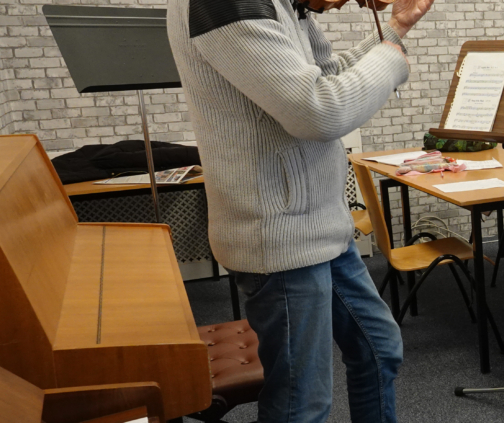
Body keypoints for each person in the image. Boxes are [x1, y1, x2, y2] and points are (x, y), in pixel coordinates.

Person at [167, 0, 434, 420]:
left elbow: (326, 76)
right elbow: (319, 111)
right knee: (301, 403)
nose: (348, 3)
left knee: (379, 348)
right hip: (280, 239)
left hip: (320, 227)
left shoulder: (287, 6)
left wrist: (396, 27)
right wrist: (390, 59)